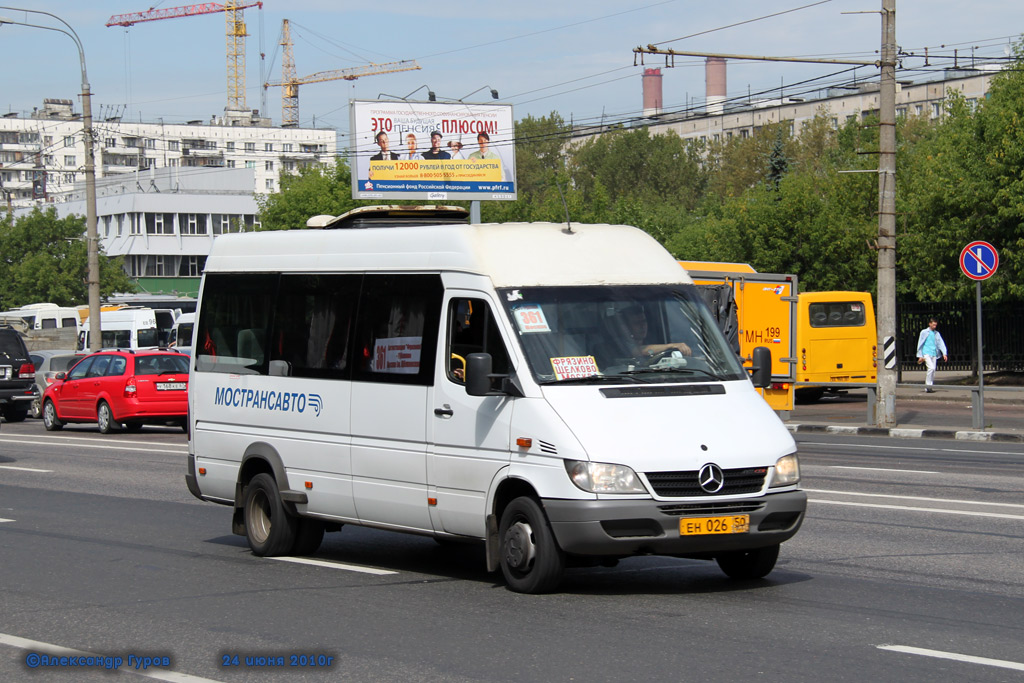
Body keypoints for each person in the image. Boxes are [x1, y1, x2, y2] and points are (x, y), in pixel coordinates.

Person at [620, 305, 691, 360]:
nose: (642, 326)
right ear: (627, 327)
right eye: (637, 323)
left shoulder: (652, 340)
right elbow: (638, 351)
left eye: (644, 321)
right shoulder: (622, 344)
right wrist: (670, 346)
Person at [916, 317, 948, 392]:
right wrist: (920, 355)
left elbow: (941, 343)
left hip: (934, 353)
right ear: (929, 324)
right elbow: (920, 343)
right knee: (931, 368)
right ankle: (927, 386)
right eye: (933, 325)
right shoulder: (924, 332)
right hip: (926, 353)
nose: (934, 326)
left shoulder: (936, 333)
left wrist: (944, 353)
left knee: (933, 370)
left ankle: (930, 386)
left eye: (935, 325)